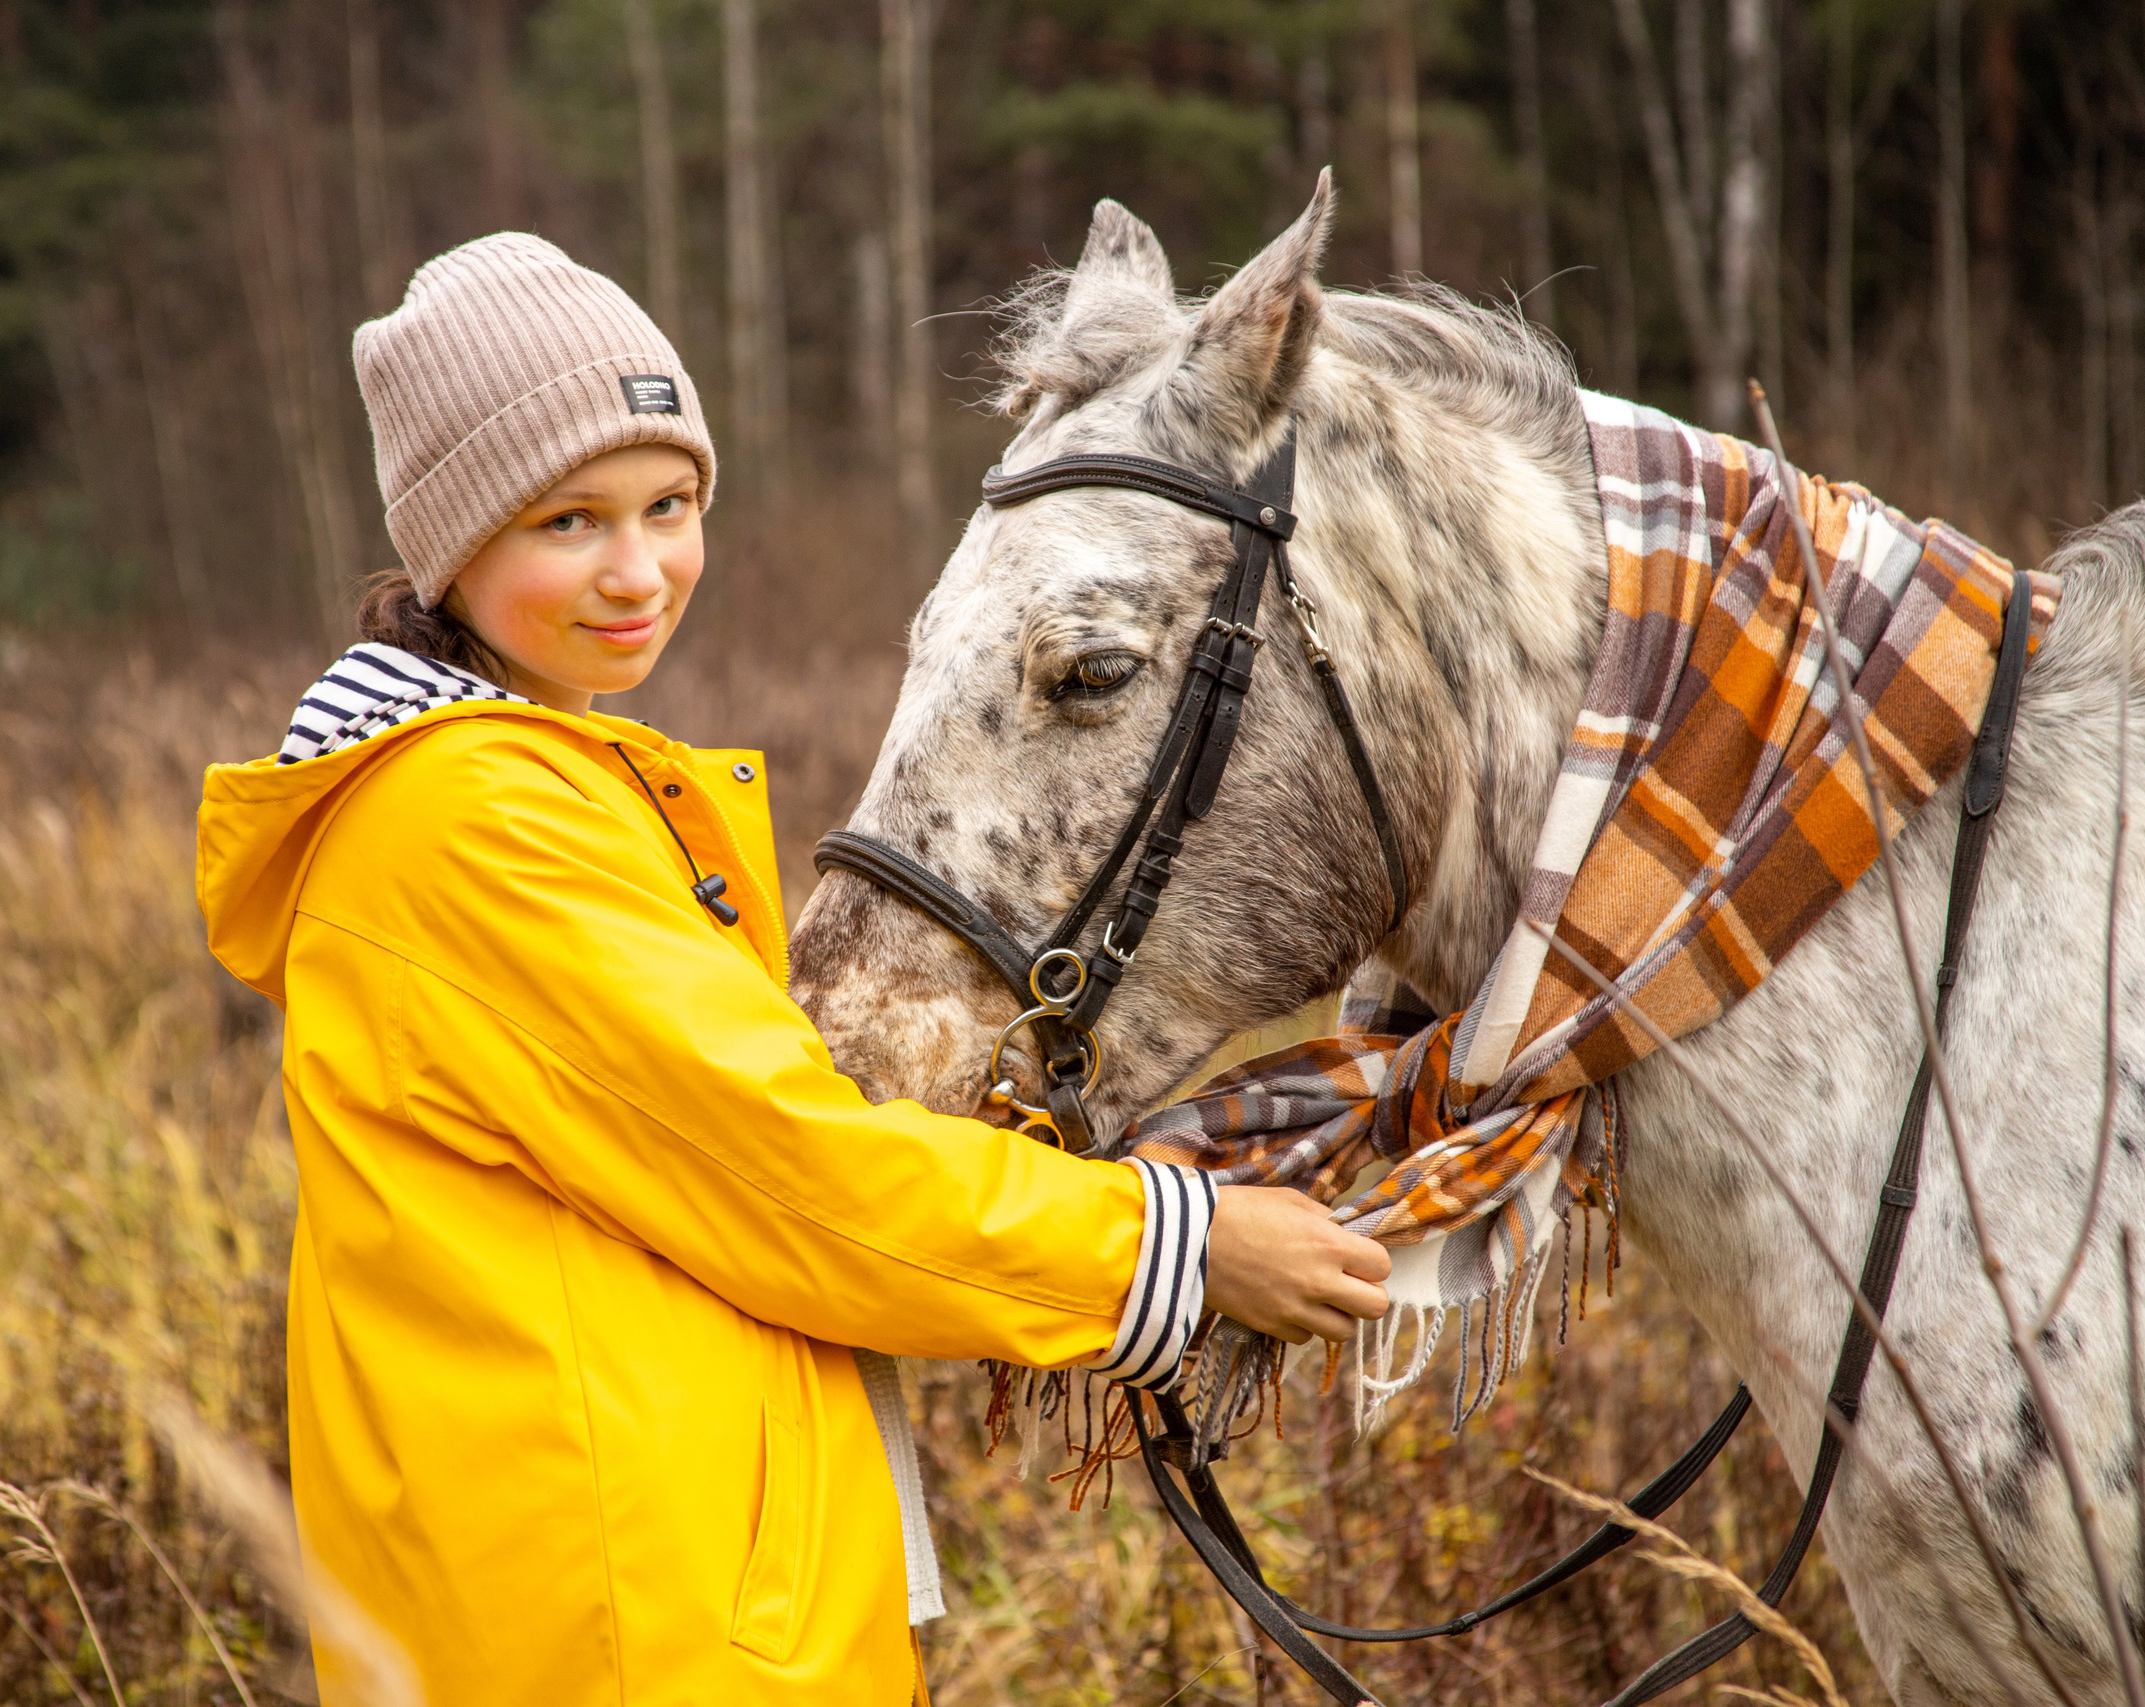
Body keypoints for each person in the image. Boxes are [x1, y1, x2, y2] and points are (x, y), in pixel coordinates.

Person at [195, 233, 1390, 1706]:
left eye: (670, 504)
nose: (638, 570)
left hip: (639, 1588)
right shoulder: (474, 826)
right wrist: (1180, 1246)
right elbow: (788, 1174)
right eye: (568, 521)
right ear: (454, 546)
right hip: (631, 1629)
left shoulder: (546, 787)